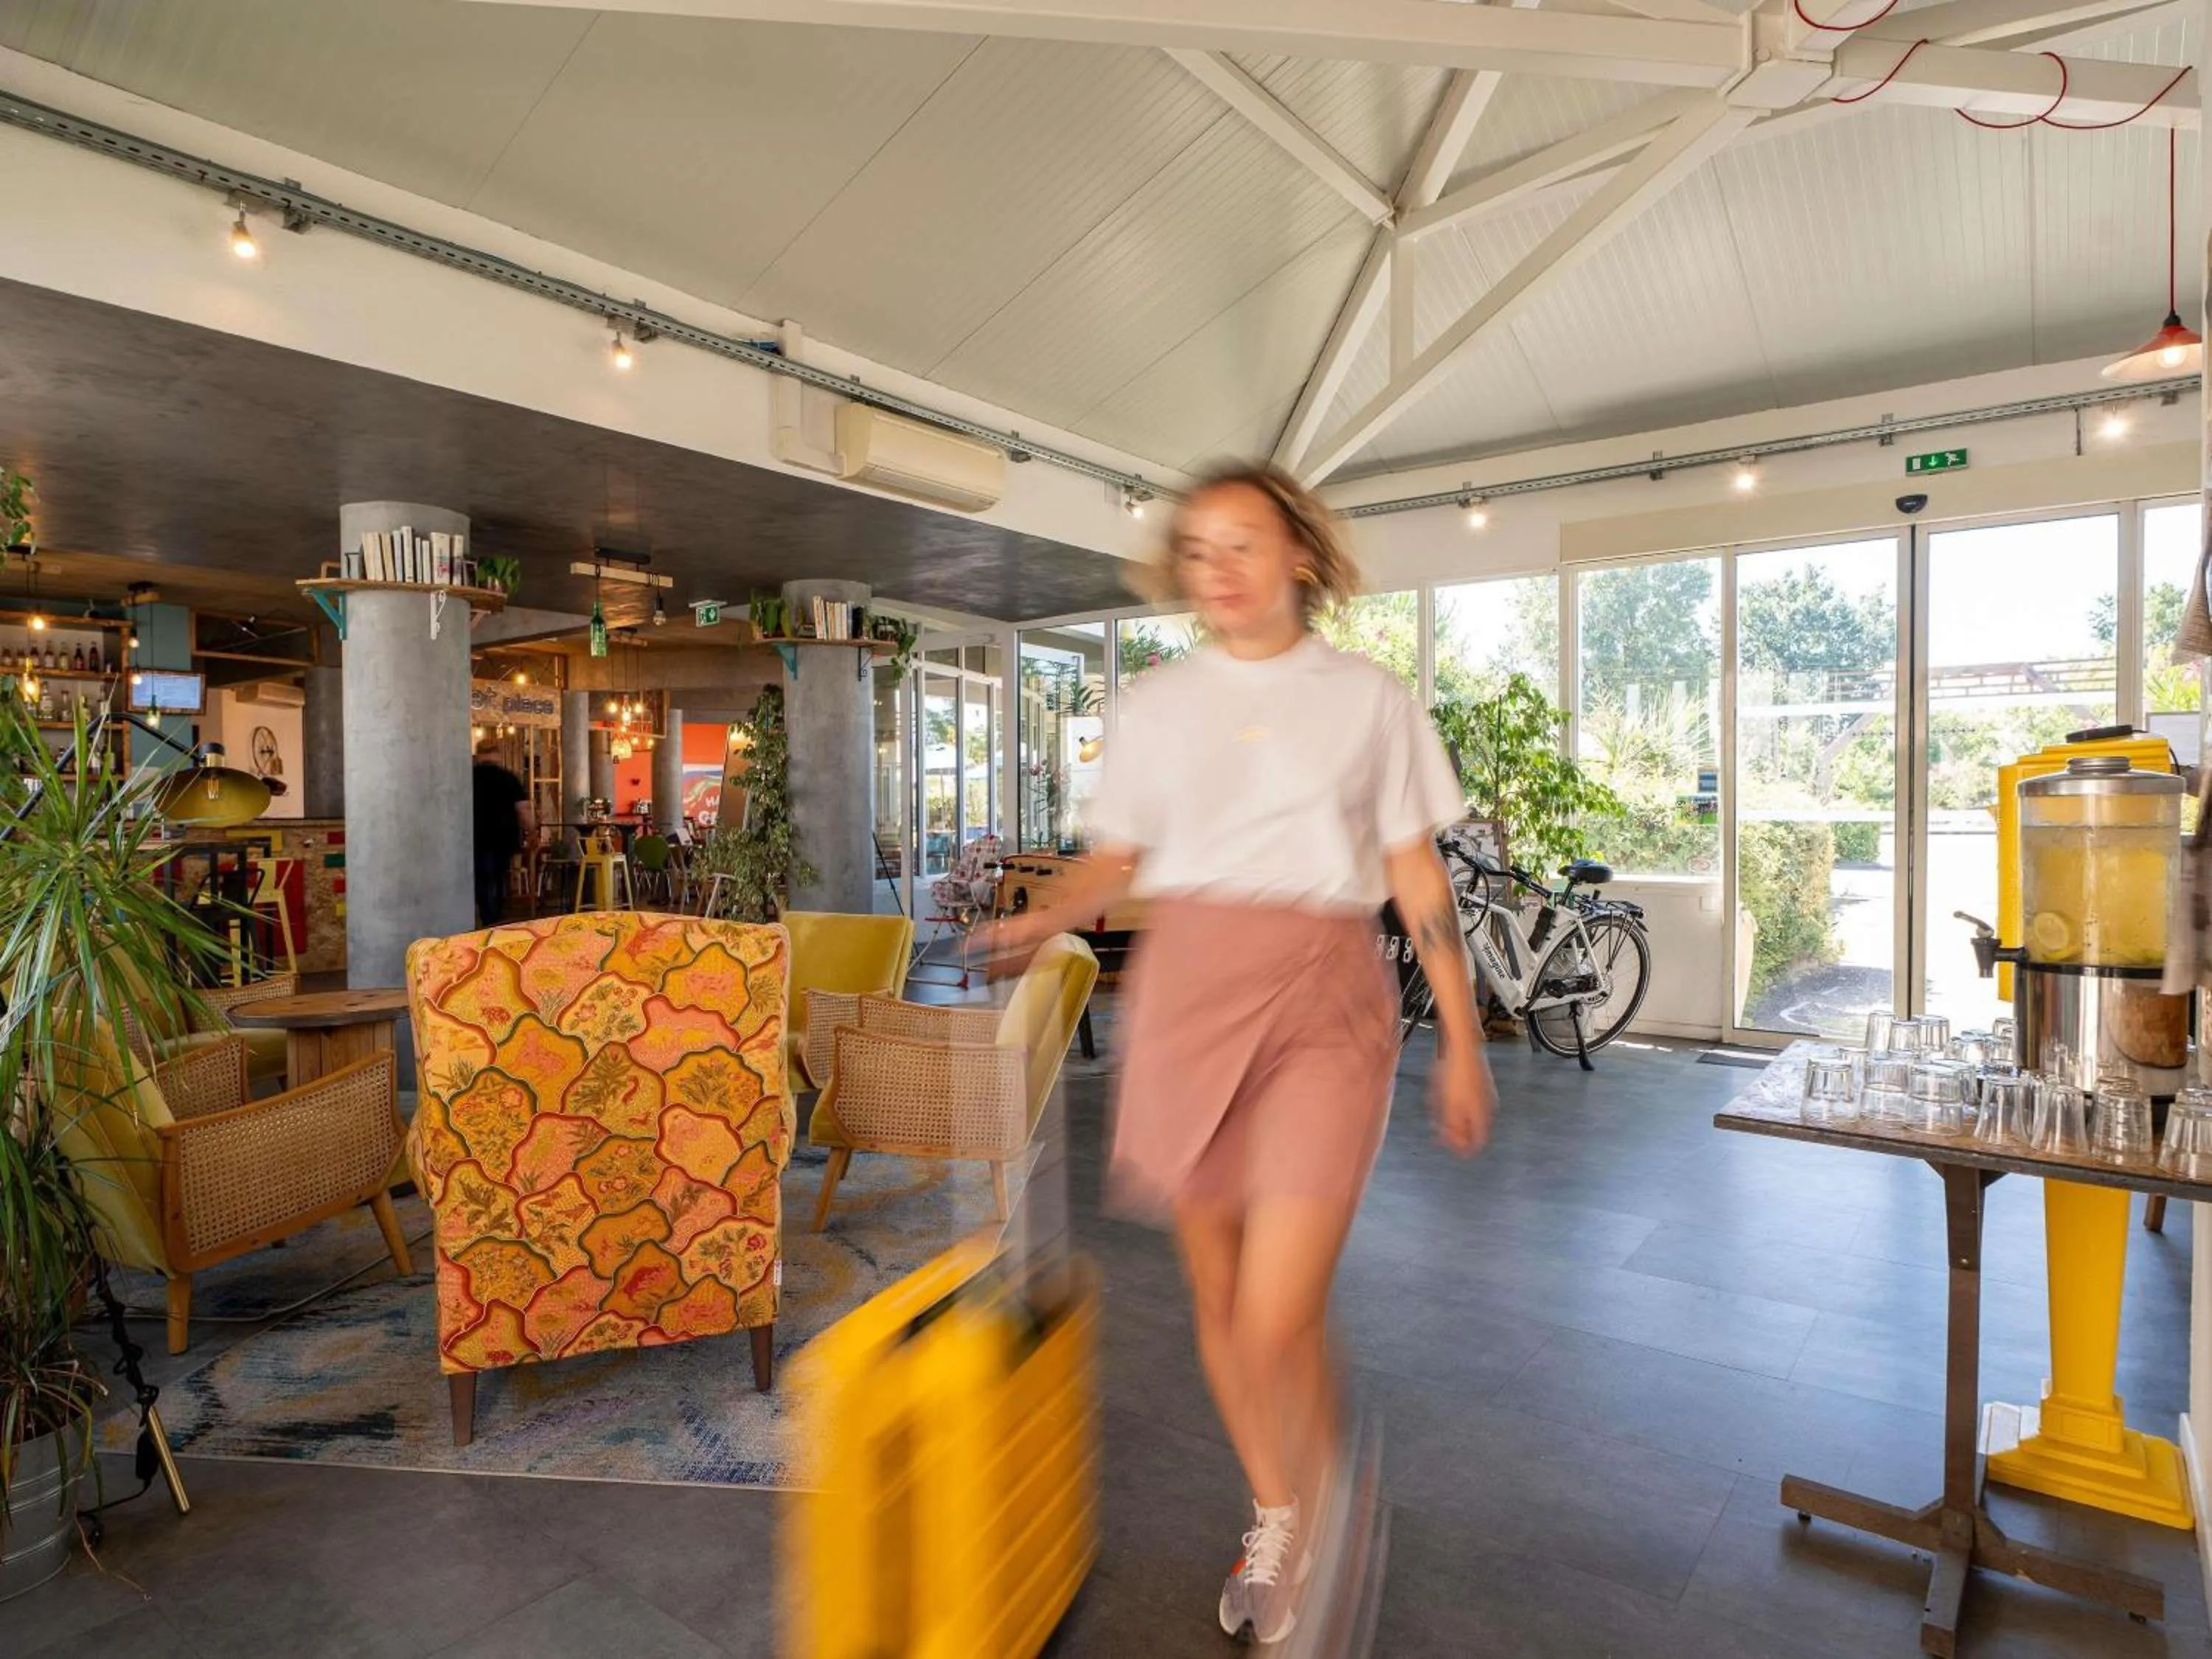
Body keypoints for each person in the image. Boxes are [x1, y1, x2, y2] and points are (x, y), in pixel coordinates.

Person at [980, 460, 1493, 1646]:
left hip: (1324, 995)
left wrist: (1465, 1040)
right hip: (1189, 995)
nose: (1217, 568)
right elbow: (1119, 857)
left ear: (1300, 554)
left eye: (1242, 543)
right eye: (1198, 548)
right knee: (1218, 1291)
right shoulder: (1157, 704)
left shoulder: (1370, 698)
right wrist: (1039, 916)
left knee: (1276, 1310)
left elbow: (1414, 872)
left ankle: (1327, 1489)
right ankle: (1277, 1508)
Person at [470, 739, 532, 926]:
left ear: (479, 755)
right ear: (498, 756)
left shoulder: (468, 777)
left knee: (482, 881)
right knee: (497, 879)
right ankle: (494, 919)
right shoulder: (509, 778)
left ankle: (485, 917)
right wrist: (532, 833)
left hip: (474, 838)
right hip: (504, 839)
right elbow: (523, 810)